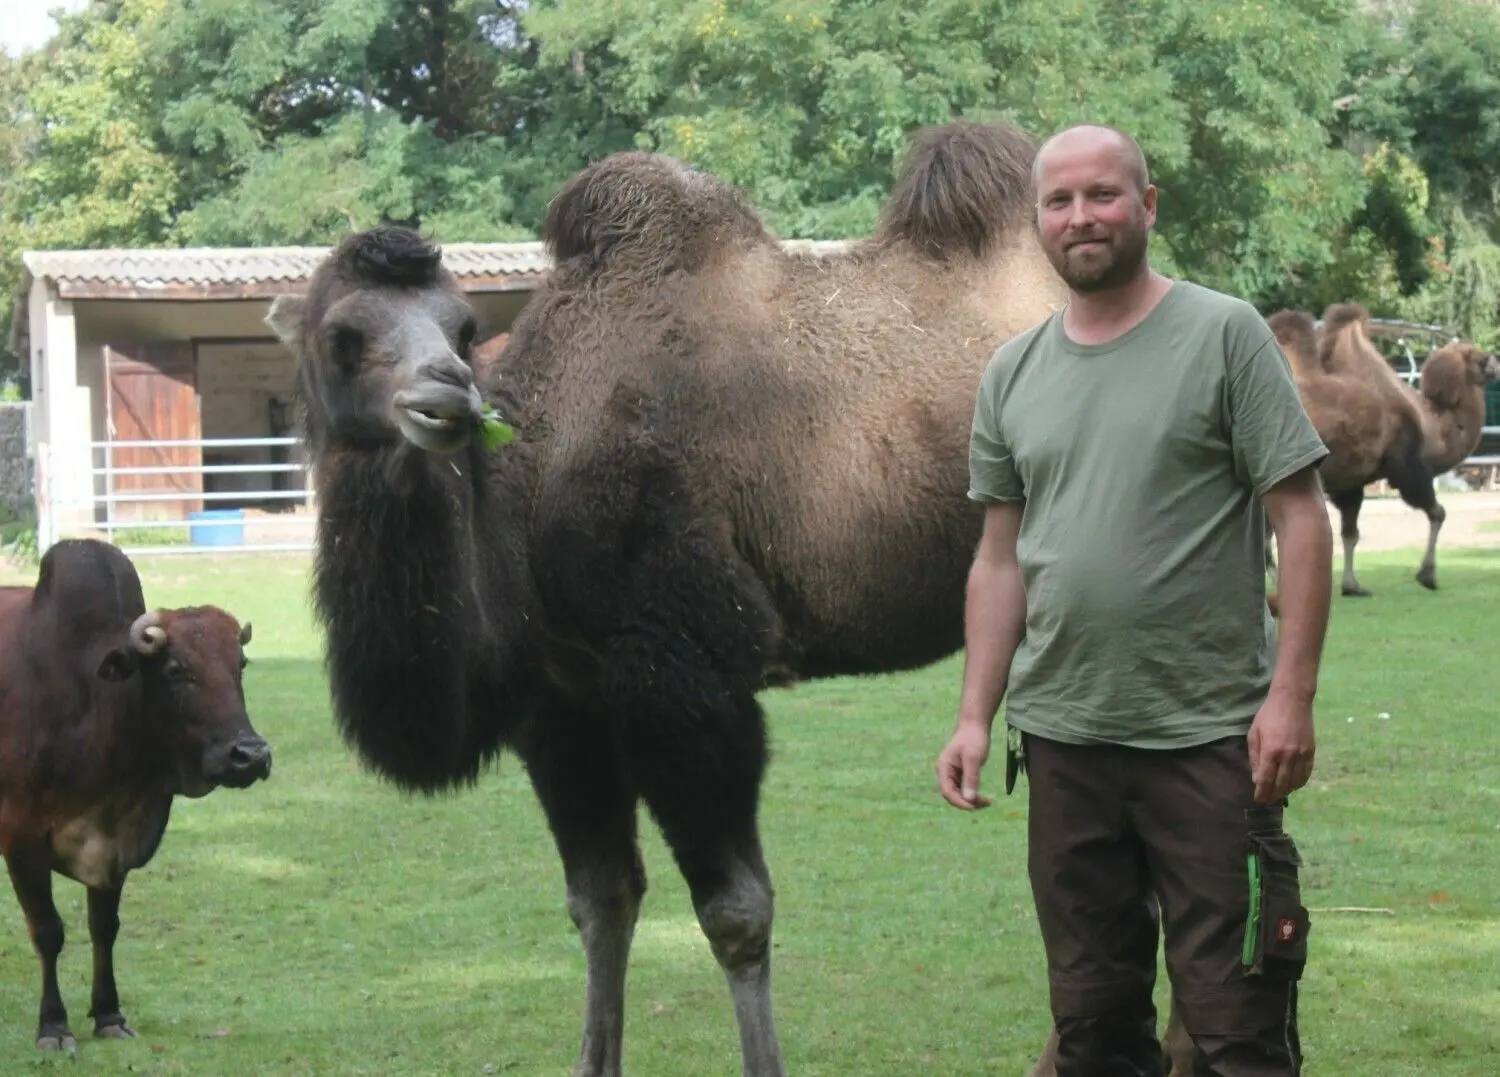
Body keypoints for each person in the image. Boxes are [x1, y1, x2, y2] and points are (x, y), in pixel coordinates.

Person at [935, 123, 1334, 1076]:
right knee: (1094, 1026)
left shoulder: (1223, 333)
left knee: (1238, 1025)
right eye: (1059, 200)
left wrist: (1293, 696)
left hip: (1207, 741)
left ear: (1147, 206)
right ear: (1037, 221)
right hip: (1066, 745)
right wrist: (973, 716)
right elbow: (1000, 560)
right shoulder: (1012, 372)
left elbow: (1303, 517)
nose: (1082, 216)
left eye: (1103, 194)